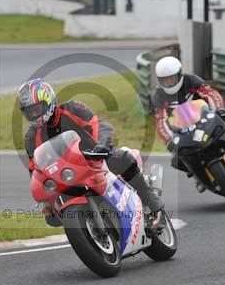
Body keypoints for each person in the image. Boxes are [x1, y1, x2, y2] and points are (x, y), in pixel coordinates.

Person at [18, 78, 166, 230]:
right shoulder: (31, 137)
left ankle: (154, 204)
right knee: (52, 218)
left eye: (37, 109)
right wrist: (45, 198)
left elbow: (99, 125)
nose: (35, 114)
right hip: (67, 175)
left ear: (48, 101)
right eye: (30, 112)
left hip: (95, 157)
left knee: (124, 159)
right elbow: (35, 169)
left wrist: (102, 145)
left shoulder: (72, 108)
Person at [151, 56, 225, 192]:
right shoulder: (158, 96)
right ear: (159, 80)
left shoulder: (190, 80)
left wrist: (219, 110)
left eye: (171, 78)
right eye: (164, 80)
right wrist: (168, 140)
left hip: (205, 118)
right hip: (182, 129)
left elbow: (210, 94)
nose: (169, 82)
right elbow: (160, 120)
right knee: (176, 158)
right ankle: (197, 174)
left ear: (179, 74)